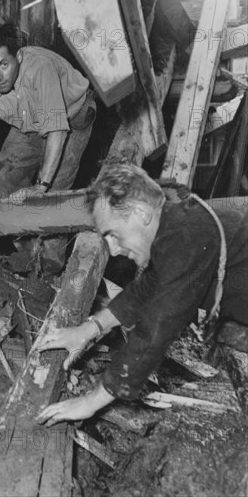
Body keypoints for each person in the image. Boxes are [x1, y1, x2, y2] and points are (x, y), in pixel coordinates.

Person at [36, 163, 248, 427]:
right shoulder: (176, 226)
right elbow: (146, 290)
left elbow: (156, 327)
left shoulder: (185, 233)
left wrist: (91, 402)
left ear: (141, 212)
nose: (112, 250)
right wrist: (89, 329)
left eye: (113, 234)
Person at [0, 23, 96, 274]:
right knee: (2, 176)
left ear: (18, 57)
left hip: (71, 118)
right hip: (28, 124)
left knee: (53, 195)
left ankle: (51, 268)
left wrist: (39, 186)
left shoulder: (39, 68)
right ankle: (29, 256)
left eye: (3, 64)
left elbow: (56, 129)